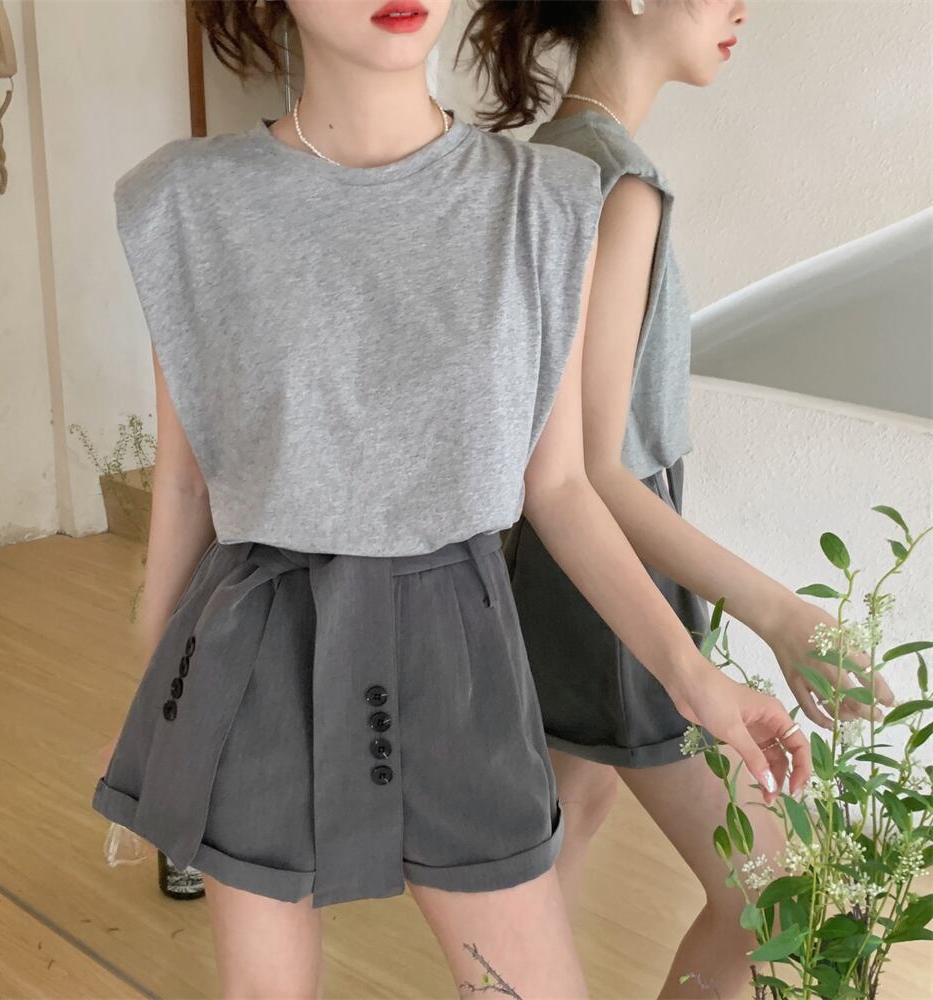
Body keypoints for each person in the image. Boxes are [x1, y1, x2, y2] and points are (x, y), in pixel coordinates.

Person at [93, 1, 811, 996]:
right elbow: (185, 482)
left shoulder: (544, 200)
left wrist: (696, 678)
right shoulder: (189, 202)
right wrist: (157, 720)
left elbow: (562, 487)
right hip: (253, 653)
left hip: (462, 656)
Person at [459, 1, 896, 996]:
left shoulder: (552, 159)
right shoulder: (618, 183)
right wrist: (781, 613)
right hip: (603, 579)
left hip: (550, 569)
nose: (742, 8)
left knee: (553, 850)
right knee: (779, 891)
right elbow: (597, 471)